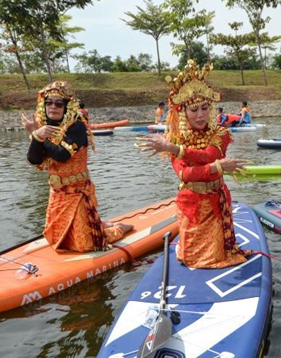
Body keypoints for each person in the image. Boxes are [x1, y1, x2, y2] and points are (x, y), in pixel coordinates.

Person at [136, 60, 250, 268]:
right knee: (192, 260)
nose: (200, 115)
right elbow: (185, 175)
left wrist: (174, 150)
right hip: (191, 202)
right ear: (183, 113)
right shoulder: (174, 137)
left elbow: (210, 154)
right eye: (194, 110)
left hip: (216, 198)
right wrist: (219, 167)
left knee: (218, 257)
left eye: (205, 108)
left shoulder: (220, 133)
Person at [20, 80, 132, 253]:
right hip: (57, 193)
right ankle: (99, 222)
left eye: (59, 103)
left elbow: (61, 155)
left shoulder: (76, 126)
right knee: (55, 239)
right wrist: (36, 136)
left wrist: (37, 136)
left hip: (77, 191)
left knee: (86, 244)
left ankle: (118, 229)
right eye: (48, 102)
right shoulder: (43, 128)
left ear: (66, 106)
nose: (53, 107)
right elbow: (34, 160)